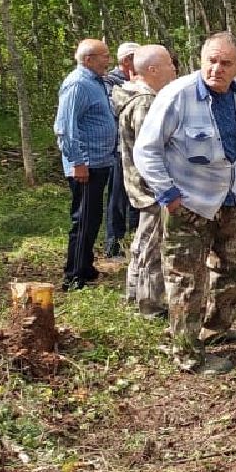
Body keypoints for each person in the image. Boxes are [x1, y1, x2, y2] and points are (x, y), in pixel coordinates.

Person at [133, 32, 236, 374]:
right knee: (187, 281)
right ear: (200, 61)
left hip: (228, 201)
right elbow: (146, 150)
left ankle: (215, 330)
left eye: (225, 63)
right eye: (210, 61)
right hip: (187, 206)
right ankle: (188, 355)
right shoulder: (178, 95)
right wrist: (168, 196)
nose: (216, 69)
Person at [112, 44, 176, 317]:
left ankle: (134, 293)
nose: (174, 69)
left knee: (143, 241)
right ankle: (150, 305)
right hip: (151, 187)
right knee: (154, 246)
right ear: (152, 69)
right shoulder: (146, 102)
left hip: (141, 185)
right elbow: (149, 149)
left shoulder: (135, 96)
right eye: (169, 65)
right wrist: (164, 185)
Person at [54, 39, 116, 291]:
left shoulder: (96, 81)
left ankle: (86, 266)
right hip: (85, 165)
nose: (108, 60)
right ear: (89, 59)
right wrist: (78, 162)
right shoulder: (78, 84)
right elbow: (65, 129)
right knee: (84, 219)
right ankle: (73, 275)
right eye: (104, 56)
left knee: (93, 217)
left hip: (99, 161)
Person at [103, 42, 140, 257]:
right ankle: (113, 245)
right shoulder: (110, 83)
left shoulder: (133, 80)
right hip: (120, 148)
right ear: (126, 61)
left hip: (138, 149)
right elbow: (115, 111)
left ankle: (135, 241)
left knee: (138, 195)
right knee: (118, 198)